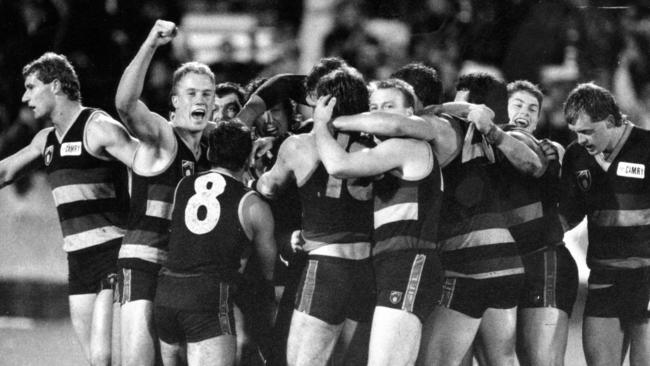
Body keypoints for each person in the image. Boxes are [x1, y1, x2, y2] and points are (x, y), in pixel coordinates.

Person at [0, 52, 139, 365]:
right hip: (77, 261)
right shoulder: (45, 140)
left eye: (31, 87)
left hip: (113, 254)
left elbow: (149, 166)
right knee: (94, 359)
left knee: (105, 356)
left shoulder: (99, 127)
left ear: (56, 86)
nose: (25, 96)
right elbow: (5, 172)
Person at [312, 78, 451, 366]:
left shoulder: (406, 145)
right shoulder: (388, 155)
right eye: (373, 108)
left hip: (409, 263)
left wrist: (322, 124)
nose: (378, 114)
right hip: (397, 266)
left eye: (388, 107)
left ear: (409, 112)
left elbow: (338, 166)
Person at [256, 69, 375, 366]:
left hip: (326, 269)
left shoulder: (299, 145)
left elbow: (269, 188)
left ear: (324, 103)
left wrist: (257, 169)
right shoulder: (378, 145)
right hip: (366, 269)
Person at [114, 20, 215, 366]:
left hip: (183, 272)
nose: (200, 100)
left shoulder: (212, 150)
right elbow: (126, 104)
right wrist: (151, 43)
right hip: (144, 264)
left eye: (206, 94)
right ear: (174, 102)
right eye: (191, 93)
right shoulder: (162, 136)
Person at [154, 120, 277, 366]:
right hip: (207, 299)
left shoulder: (183, 185)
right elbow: (268, 271)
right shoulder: (253, 204)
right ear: (249, 157)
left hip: (167, 294)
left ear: (210, 153)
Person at [560, 82, 650, 366]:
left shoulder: (647, 147)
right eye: (576, 133)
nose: (582, 139)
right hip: (604, 278)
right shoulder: (576, 156)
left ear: (611, 121)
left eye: (588, 131)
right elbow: (569, 213)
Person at [504, 80, 578, 366]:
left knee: (542, 361)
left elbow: (575, 200)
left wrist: (556, 225)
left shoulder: (550, 151)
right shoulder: (489, 149)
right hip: (508, 268)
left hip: (544, 264)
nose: (525, 112)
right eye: (518, 104)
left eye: (532, 108)